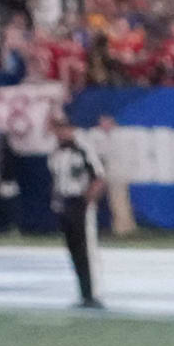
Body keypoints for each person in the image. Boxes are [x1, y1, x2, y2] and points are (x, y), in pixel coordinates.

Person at [46, 112, 106, 308]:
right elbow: (56, 181)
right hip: (64, 202)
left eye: (63, 128)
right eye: (58, 129)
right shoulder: (56, 152)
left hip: (79, 201)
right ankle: (83, 293)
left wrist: (87, 200)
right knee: (73, 249)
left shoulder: (84, 148)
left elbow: (98, 177)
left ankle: (92, 293)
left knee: (86, 249)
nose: (60, 133)